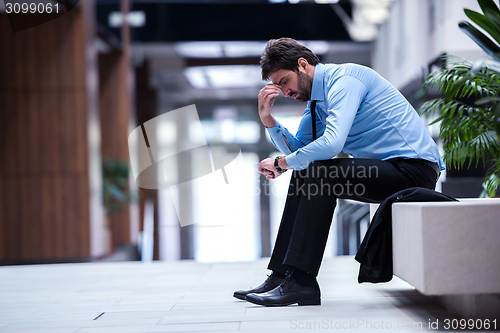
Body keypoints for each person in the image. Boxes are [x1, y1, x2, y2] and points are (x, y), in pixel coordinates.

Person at [233, 38, 444, 307]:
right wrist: (269, 122)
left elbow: (331, 144)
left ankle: (302, 282)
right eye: (279, 86)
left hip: (413, 170)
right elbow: (302, 150)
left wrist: (282, 163)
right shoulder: (316, 102)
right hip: (387, 171)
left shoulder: (345, 80)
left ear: (302, 65)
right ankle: (283, 275)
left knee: (320, 173)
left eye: (285, 81)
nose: (285, 92)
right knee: (309, 171)